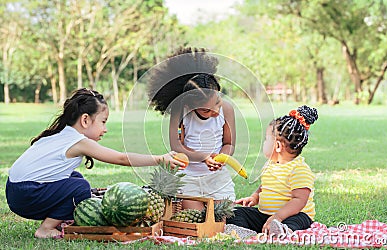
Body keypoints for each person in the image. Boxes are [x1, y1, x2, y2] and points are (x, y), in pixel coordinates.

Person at [5, 88, 184, 239]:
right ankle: (45, 229)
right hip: (27, 195)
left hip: (17, 192)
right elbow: (121, 158)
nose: (105, 129)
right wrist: (159, 158)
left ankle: (59, 220)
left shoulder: (61, 134)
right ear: (85, 120)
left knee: (75, 177)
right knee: (80, 187)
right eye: (103, 122)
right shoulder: (78, 141)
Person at [147, 47, 236, 210]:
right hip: (189, 178)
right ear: (189, 105)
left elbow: (229, 143)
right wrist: (203, 157)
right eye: (206, 110)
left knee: (221, 218)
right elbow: (176, 146)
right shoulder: (180, 111)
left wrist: (222, 158)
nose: (215, 112)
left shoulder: (227, 109)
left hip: (217, 178)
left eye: (217, 102)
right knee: (196, 220)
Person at [226, 105, 318, 237]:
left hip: (292, 215)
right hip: (266, 215)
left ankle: (283, 231)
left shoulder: (299, 169)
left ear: (278, 146)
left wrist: (278, 217)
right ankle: (245, 231)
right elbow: (264, 187)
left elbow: (299, 200)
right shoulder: (270, 165)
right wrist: (254, 197)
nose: (263, 143)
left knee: (298, 220)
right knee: (234, 212)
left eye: (266, 139)